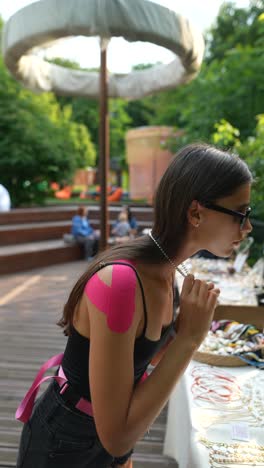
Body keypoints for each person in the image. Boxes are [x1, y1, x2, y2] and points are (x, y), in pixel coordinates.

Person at [16, 143, 253, 468]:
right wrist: (187, 338)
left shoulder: (166, 268)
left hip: (102, 438)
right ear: (196, 212)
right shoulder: (122, 283)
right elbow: (117, 436)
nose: (248, 227)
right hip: (64, 442)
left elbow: (144, 354)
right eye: (241, 214)